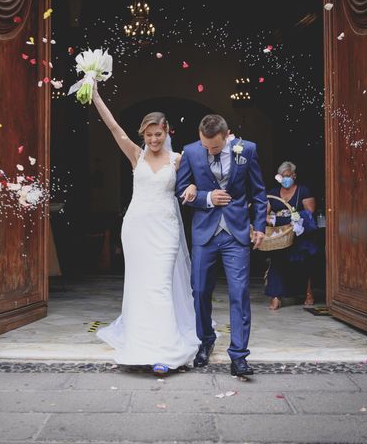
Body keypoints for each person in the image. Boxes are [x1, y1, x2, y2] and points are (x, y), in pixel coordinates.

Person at [91, 85, 200, 375]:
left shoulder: (179, 159)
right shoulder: (135, 155)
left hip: (165, 228)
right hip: (137, 227)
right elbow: (113, 127)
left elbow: (194, 181)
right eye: (149, 135)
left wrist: (190, 187)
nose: (153, 139)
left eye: (158, 134)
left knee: (161, 286)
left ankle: (165, 350)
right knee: (140, 286)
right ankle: (141, 344)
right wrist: (95, 96)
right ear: (143, 135)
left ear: (167, 133)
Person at [176, 114, 267, 377]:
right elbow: (181, 190)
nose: (208, 150)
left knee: (239, 293)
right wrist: (206, 197)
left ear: (227, 136)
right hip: (205, 233)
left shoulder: (247, 149)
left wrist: (259, 226)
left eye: (214, 147)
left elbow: (258, 192)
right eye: (205, 145)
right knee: (200, 290)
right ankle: (206, 340)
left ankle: (239, 355)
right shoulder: (192, 151)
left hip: (236, 234)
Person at [264, 161, 318, 310]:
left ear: (294, 176)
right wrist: (269, 219)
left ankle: (308, 292)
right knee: (277, 262)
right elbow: (264, 214)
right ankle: (276, 296)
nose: (285, 179)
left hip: (299, 234)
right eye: (282, 176)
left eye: (288, 176)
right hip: (280, 235)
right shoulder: (273, 193)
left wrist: (292, 219)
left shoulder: (303, 191)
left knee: (304, 262)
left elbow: (309, 213)